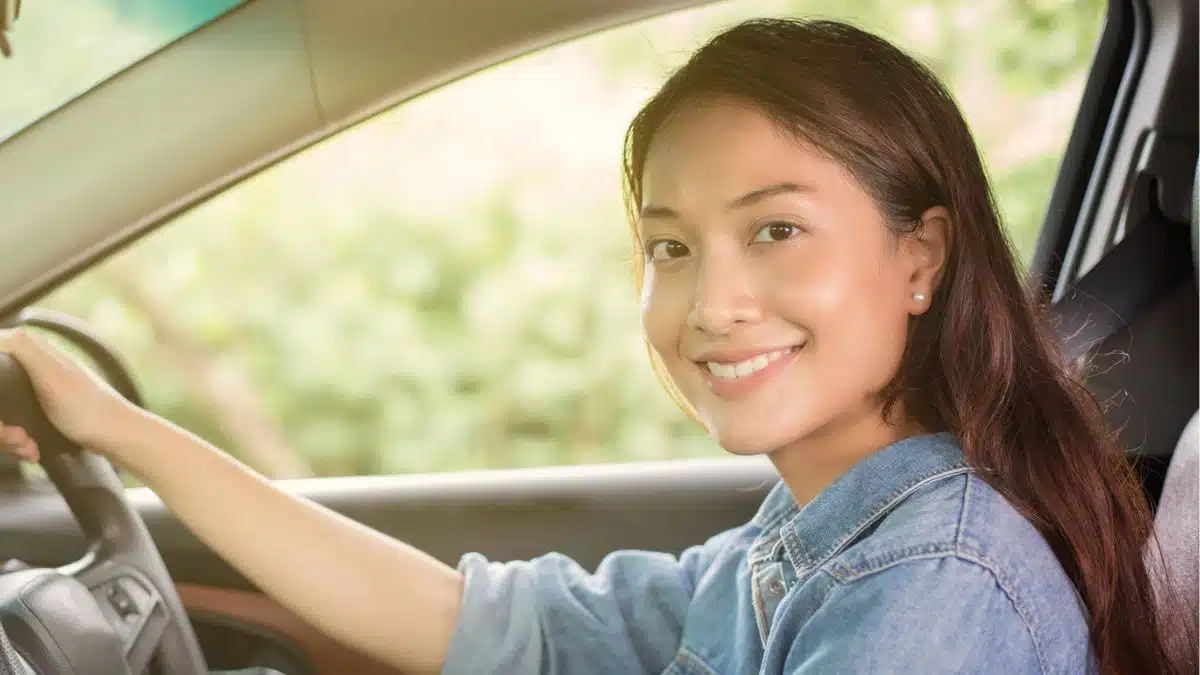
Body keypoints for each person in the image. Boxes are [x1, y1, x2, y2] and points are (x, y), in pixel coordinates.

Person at [0, 17, 1189, 675]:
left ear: (921, 258)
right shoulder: (815, 535)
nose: (713, 302)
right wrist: (120, 430)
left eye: (777, 230)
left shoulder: (935, 581)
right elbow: (483, 625)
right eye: (671, 248)